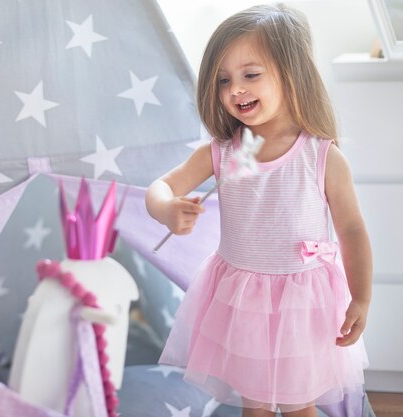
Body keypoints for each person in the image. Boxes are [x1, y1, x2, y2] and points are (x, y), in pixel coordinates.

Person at [145, 4, 372, 417]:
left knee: (298, 403)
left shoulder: (322, 157)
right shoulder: (222, 153)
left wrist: (361, 298)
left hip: (302, 304)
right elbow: (159, 187)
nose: (236, 89)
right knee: (257, 405)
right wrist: (165, 209)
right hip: (242, 302)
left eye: (251, 75)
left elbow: (352, 230)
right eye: (224, 80)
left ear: (292, 75)